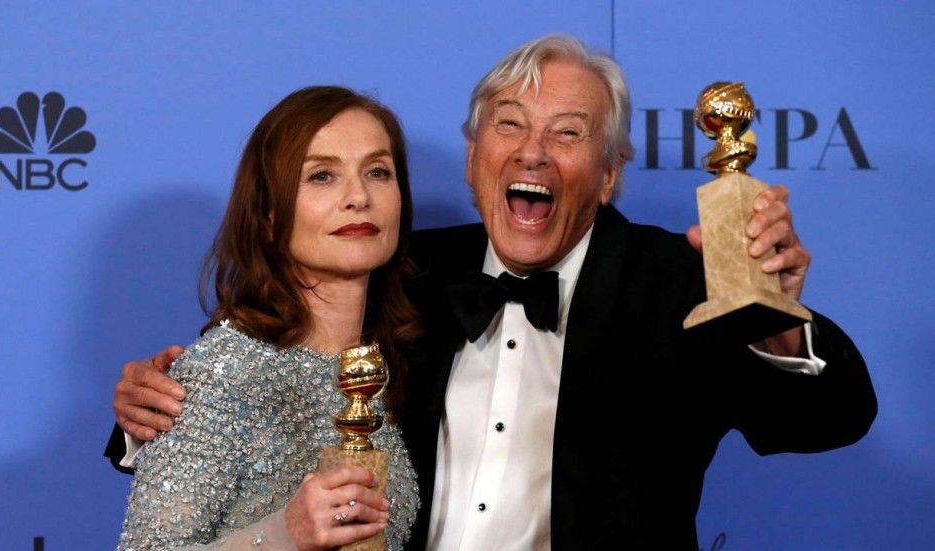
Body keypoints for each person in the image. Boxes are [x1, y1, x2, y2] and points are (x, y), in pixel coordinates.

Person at [108, 36, 876, 549]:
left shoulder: (676, 279)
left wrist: (776, 321)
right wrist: (157, 411)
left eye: (568, 133)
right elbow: (267, 369)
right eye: (509, 126)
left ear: (608, 175)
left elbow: (830, 419)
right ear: (475, 157)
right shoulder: (402, 269)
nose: (532, 152)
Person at [114, 86, 420, 550]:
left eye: (378, 171)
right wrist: (283, 534)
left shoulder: (392, 365)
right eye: (321, 176)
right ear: (268, 213)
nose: (358, 196)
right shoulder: (225, 372)